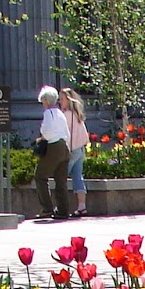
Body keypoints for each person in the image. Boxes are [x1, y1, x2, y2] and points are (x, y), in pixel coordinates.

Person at [33, 85, 72, 220]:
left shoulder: (48, 113)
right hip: (64, 147)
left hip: (54, 146)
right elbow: (66, 132)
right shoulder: (60, 113)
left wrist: (42, 138)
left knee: (40, 176)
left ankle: (47, 208)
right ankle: (63, 210)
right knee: (61, 181)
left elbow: (47, 131)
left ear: (46, 101)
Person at [61, 87, 90, 216]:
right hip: (80, 148)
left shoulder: (66, 115)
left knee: (60, 177)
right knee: (78, 177)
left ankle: (60, 206)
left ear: (68, 100)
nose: (60, 102)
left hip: (71, 150)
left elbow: (63, 133)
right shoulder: (78, 115)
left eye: (62, 99)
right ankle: (82, 206)